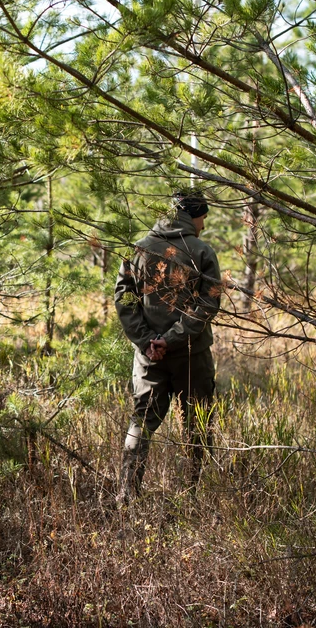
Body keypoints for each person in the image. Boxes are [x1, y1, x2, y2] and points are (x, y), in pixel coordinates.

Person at [113, 190, 222, 505]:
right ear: (193, 215)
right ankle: (191, 496)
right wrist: (170, 338)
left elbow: (124, 299)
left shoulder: (139, 249)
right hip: (193, 355)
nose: (203, 225)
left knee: (141, 422)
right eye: (202, 217)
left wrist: (148, 342)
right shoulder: (201, 251)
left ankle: (126, 496)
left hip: (150, 359)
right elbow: (208, 303)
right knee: (197, 425)